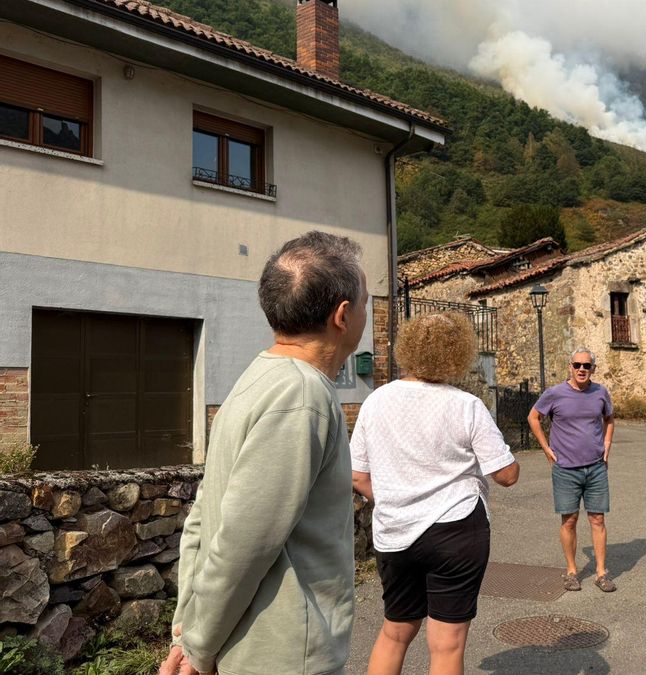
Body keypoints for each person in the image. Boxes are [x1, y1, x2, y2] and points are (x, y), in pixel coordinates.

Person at [160, 231, 368, 675]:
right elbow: (244, 543)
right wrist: (197, 647)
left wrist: (189, 627)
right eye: (366, 302)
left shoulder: (256, 378)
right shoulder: (302, 394)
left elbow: (204, 516)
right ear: (343, 315)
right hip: (283, 652)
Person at [350, 313, 519, 675]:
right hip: (455, 529)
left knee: (394, 632)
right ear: (459, 354)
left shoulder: (376, 402)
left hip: (395, 531)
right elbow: (506, 475)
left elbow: (357, 474)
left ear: (407, 349)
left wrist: (394, 497)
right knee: (446, 645)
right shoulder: (465, 405)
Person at [527, 348, 617, 593]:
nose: (581, 369)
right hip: (566, 469)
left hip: (596, 467)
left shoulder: (600, 393)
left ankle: (601, 573)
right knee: (569, 520)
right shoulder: (555, 393)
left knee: (598, 519)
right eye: (577, 365)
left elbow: (609, 419)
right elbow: (533, 417)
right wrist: (546, 448)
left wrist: (607, 445)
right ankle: (571, 571)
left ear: (593, 369)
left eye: (586, 366)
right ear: (570, 366)